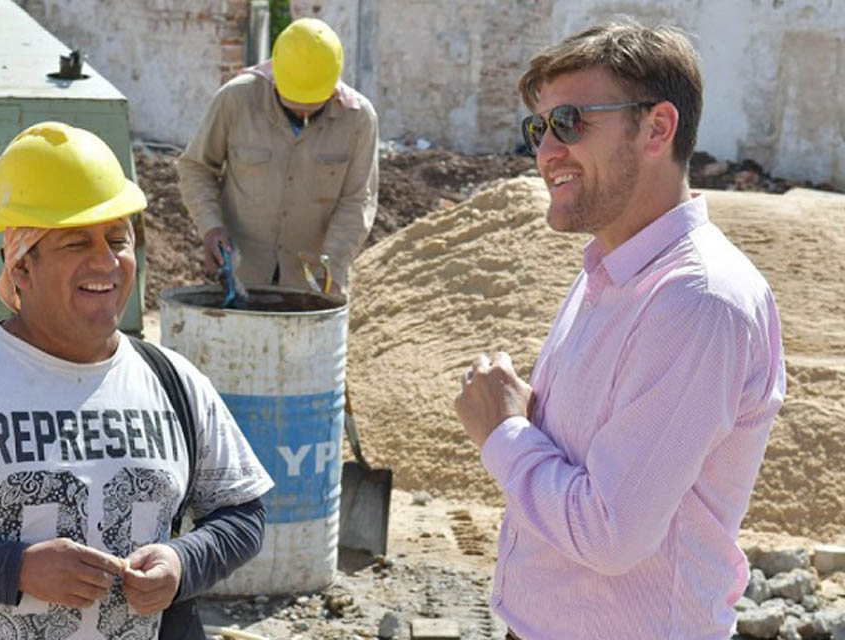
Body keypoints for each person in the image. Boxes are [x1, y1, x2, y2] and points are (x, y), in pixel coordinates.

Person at [454, 20, 785, 639]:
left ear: (657, 128)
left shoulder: (698, 301)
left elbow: (609, 533)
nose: (546, 153)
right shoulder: (610, 271)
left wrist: (502, 430)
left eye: (570, 122)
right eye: (538, 129)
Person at [0, 121, 274, 640]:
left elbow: (243, 513)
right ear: (21, 267)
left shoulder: (174, 382)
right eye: (76, 243)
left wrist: (183, 563)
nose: (106, 262)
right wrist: (14, 569)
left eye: (118, 240)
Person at [177, 17, 379, 296]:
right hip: (240, 278)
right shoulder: (235, 101)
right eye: (294, 106)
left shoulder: (358, 120)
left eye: (313, 107)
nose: (303, 114)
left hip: (312, 284)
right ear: (276, 77)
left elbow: (357, 200)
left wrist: (332, 269)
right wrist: (210, 226)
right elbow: (196, 168)